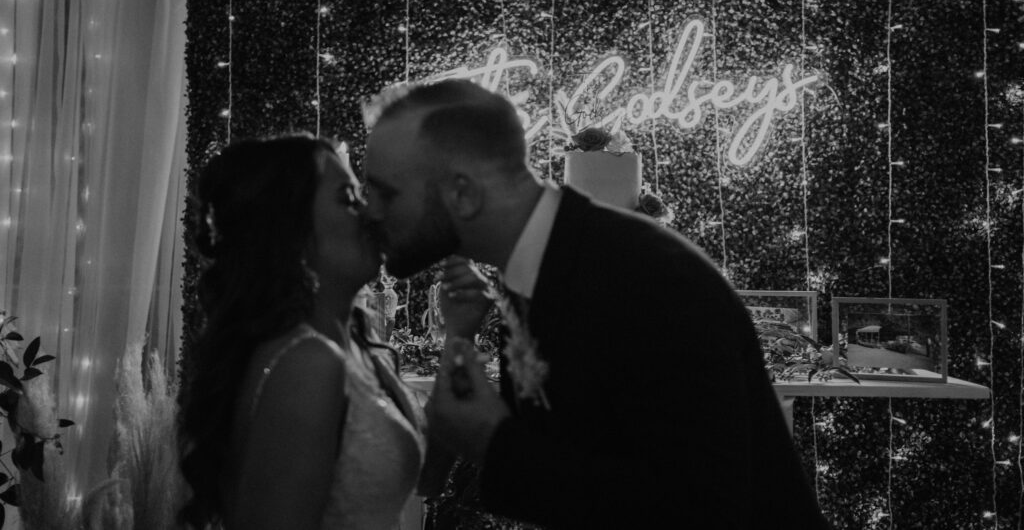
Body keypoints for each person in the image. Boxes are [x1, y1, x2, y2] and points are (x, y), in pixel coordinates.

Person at [362, 79, 830, 529]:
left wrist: (491, 441)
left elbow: (701, 505)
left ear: (462, 192)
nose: (369, 213)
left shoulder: (646, 275)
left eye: (385, 193)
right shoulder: (531, 271)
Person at [177, 134, 428, 530]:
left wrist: (461, 332)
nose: (370, 213)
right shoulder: (307, 365)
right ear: (289, 231)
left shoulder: (354, 348)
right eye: (348, 199)